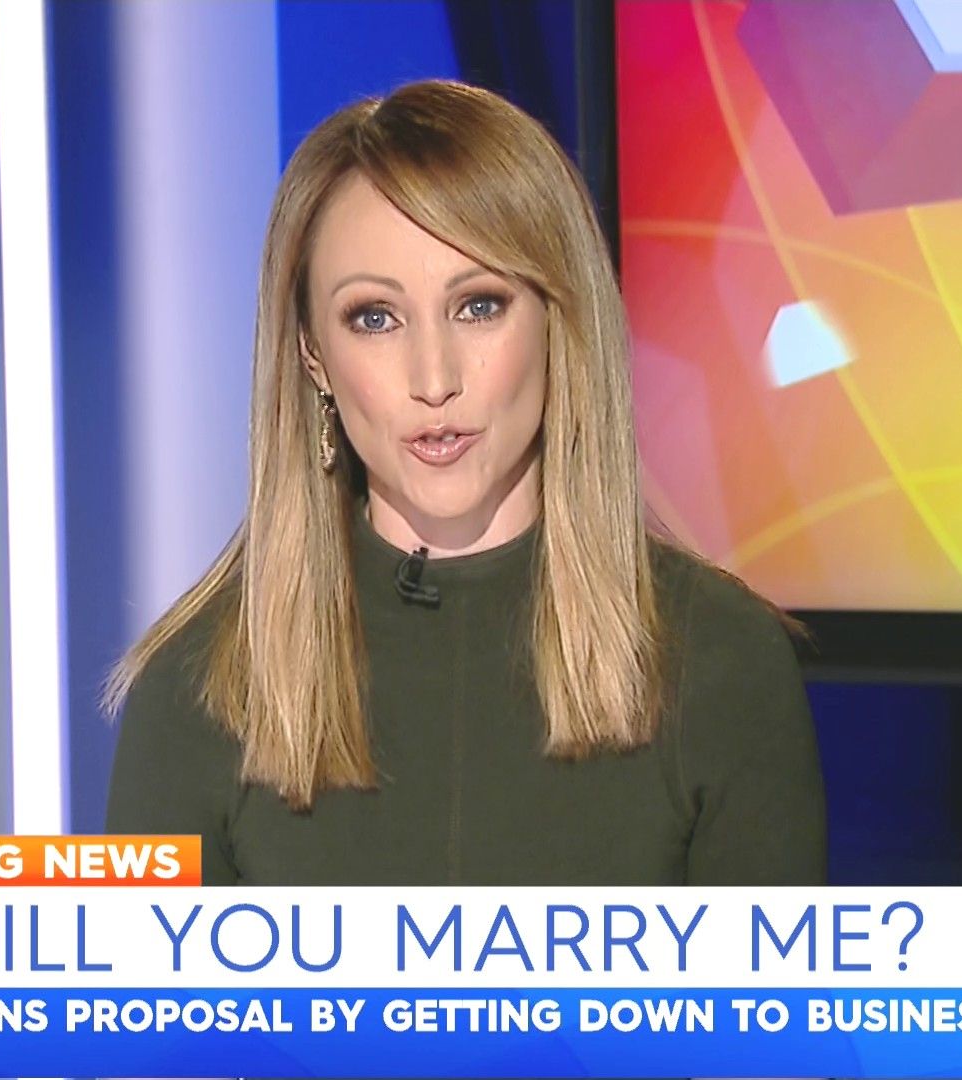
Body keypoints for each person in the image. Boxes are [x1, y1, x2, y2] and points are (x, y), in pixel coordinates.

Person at [103, 79, 825, 887]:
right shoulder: (197, 691)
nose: (433, 378)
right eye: (375, 318)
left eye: (478, 306)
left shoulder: (721, 662)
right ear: (313, 355)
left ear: (558, 318)